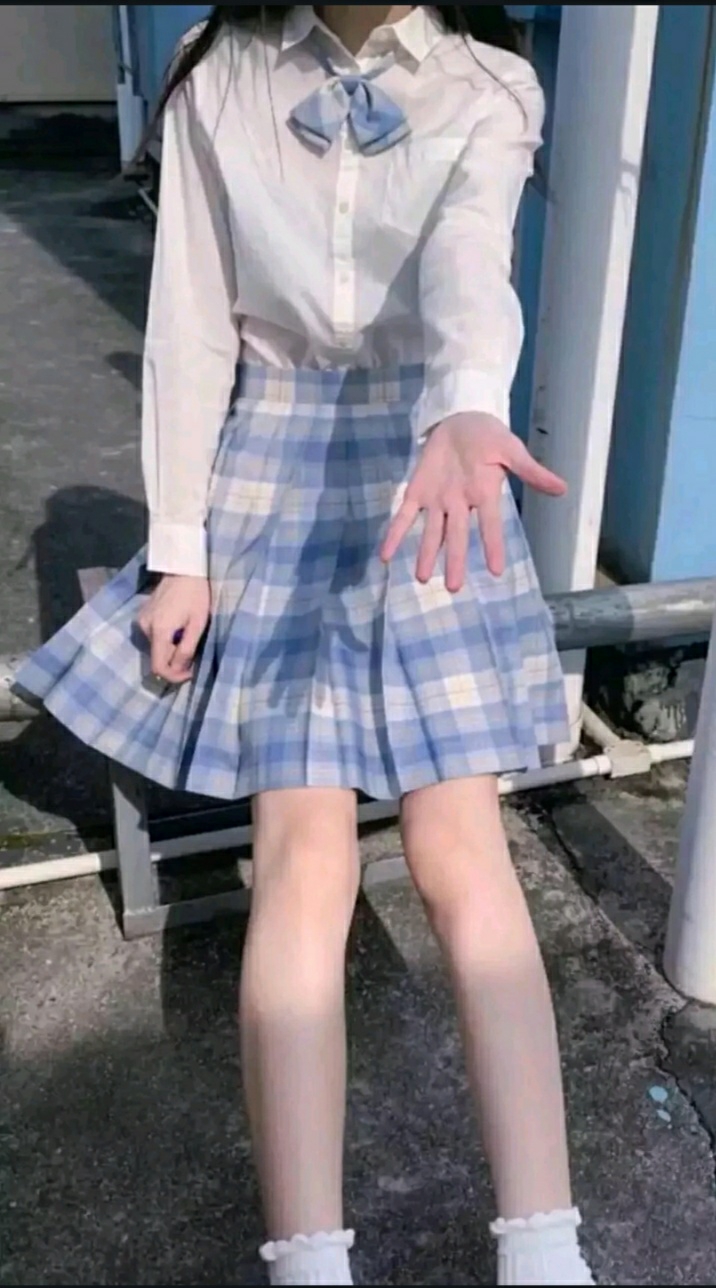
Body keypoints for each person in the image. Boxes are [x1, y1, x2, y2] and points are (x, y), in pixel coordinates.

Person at [16, 6, 596, 1285]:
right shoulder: (215, 73)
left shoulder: (487, 83)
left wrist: (466, 407)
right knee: (300, 851)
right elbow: (189, 323)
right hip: (267, 459)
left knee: (460, 846)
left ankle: (544, 1248)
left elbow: (468, 264)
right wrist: (180, 546)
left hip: (427, 459)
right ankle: (307, 1260)